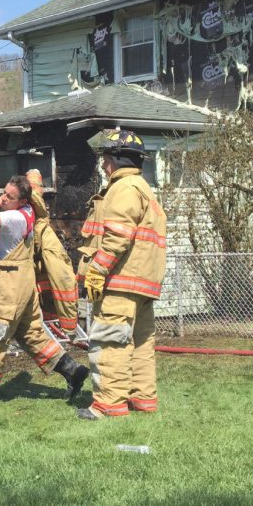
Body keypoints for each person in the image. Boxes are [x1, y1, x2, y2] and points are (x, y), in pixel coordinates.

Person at [0, 174, 88, 404]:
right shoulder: (30, 212)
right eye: (4, 193)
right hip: (24, 283)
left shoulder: (14, 217)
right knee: (32, 335)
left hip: (9, 284)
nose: (4, 198)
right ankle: (73, 371)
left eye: (10, 196)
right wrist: (4, 199)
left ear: (23, 200)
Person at [76, 129, 166, 420]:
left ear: (115, 160)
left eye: (105, 158)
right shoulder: (142, 187)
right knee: (140, 343)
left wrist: (97, 271)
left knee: (110, 341)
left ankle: (108, 405)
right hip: (141, 285)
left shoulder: (124, 188)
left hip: (120, 282)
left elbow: (117, 236)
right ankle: (142, 401)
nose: (103, 165)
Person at [24, 169, 79, 338]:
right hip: (37, 235)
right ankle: (67, 326)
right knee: (59, 277)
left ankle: (52, 325)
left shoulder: (26, 201)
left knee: (46, 278)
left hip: (34, 236)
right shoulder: (33, 203)